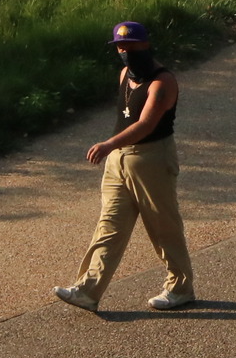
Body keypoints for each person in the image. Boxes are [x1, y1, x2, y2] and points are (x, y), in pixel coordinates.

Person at [53, 21, 196, 312]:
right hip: (119, 160)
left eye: (131, 46)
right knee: (110, 225)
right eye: (120, 47)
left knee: (163, 226)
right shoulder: (123, 75)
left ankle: (180, 288)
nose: (125, 51)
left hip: (152, 158)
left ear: (146, 44)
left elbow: (145, 124)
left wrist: (107, 145)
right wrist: (114, 150)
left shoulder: (162, 81)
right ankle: (88, 290)